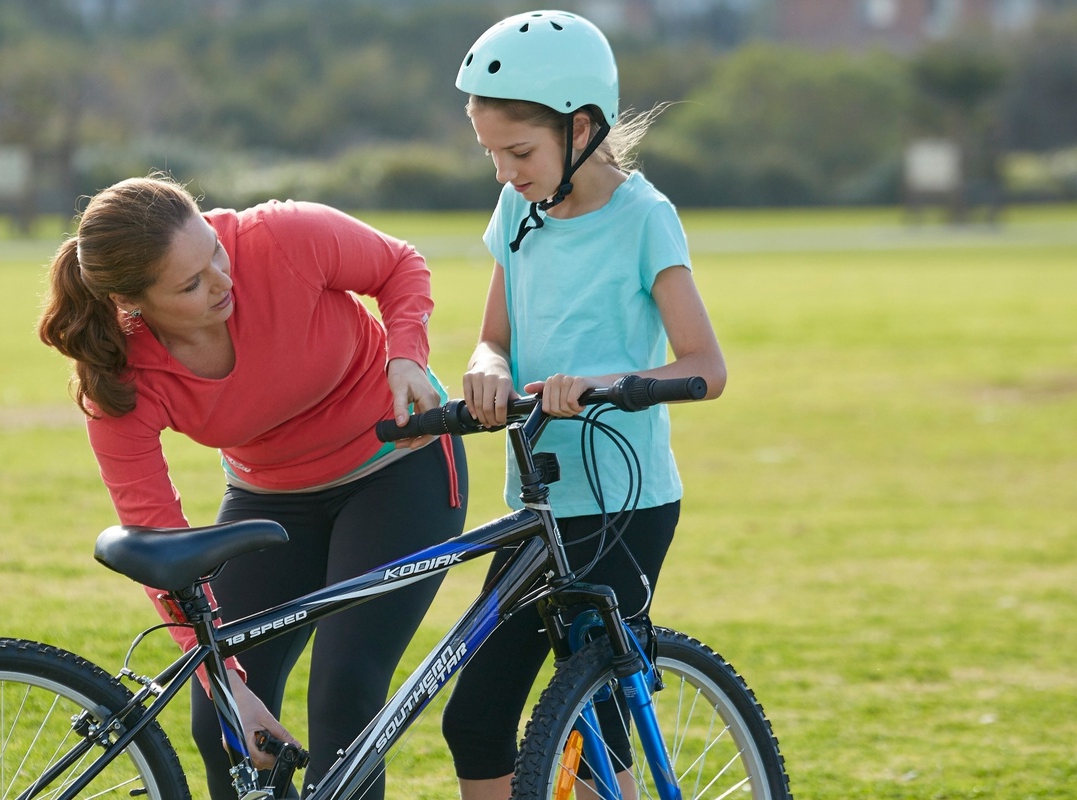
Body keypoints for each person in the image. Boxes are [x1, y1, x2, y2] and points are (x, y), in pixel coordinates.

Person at [38, 175, 468, 800]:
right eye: (190, 284)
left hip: (397, 470)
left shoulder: (280, 237)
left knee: (345, 692)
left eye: (213, 250)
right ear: (133, 305)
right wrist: (229, 685)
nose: (221, 279)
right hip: (270, 497)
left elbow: (399, 264)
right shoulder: (117, 379)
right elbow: (158, 537)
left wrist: (405, 354)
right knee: (221, 724)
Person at [438, 11, 727, 800]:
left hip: (624, 505)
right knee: (475, 718)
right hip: (536, 502)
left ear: (584, 127)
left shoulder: (644, 219)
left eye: (519, 152)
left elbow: (707, 366)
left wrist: (598, 384)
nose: (503, 172)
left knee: (598, 713)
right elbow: (490, 339)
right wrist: (486, 371)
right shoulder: (516, 214)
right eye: (490, 153)